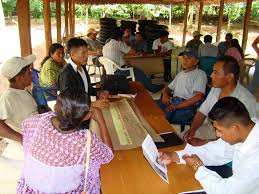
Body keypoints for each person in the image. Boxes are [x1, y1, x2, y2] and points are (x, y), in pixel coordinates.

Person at [16, 88, 113, 194]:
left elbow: (27, 133)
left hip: (30, 188)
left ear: (55, 107)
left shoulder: (38, 120)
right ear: (87, 116)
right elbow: (108, 155)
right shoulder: (85, 142)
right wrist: (101, 120)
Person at [159, 97, 259, 194]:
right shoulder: (246, 130)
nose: (217, 135)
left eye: (219, 130)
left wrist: (198, 167)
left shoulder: (255, 157)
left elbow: (227, 191)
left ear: (235, 128)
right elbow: (212, 150)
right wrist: (174, 156)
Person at [184, 56, 256, 145]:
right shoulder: (216, 89)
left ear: (229, 77)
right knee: (182, 140)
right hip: (212, 129)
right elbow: (203, 111)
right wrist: (193, 129)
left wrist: (204, 143)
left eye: (215, 72)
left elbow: (243, 138)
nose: (211, 76)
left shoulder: (245, 100)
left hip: (230, 143)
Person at [102, 28, 164, 93]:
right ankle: (152, 88)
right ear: (120, 36)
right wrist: (124, 40)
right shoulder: (119, 43)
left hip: (110, 71)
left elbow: (116, 58)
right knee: (139, 72)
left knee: (133, 69)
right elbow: (133, 52)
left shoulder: (106, 45)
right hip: (118, 71)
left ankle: (143, 86)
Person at [0, 55, 38, 160]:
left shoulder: (25, 90)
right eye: (29, 73)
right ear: (19, 78)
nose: (31, 75)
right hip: (23, 152)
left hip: (35, 143)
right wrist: (22, 139)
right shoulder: (8, 97)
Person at [157, 48, 207, 124]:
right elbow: (168, 88)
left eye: (189, 58)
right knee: (152, 110)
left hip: (186, 105)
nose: (185, 60)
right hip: (174, 101)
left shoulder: (200, 74)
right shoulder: (181, 73)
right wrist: (165, 94)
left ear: (196, 61)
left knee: (161, 119)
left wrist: (176, 106)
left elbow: (199, 96)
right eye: (183, 57)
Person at [57, 38, 108, 109]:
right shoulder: (66, 73)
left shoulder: (82, 67)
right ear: (72, 55)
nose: (87, 56)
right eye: (83, 53)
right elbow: (67, 100)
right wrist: (91, 104)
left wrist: (99, 93)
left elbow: (86, 88)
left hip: (83, 107)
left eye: (87, 52)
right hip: (72, 112)